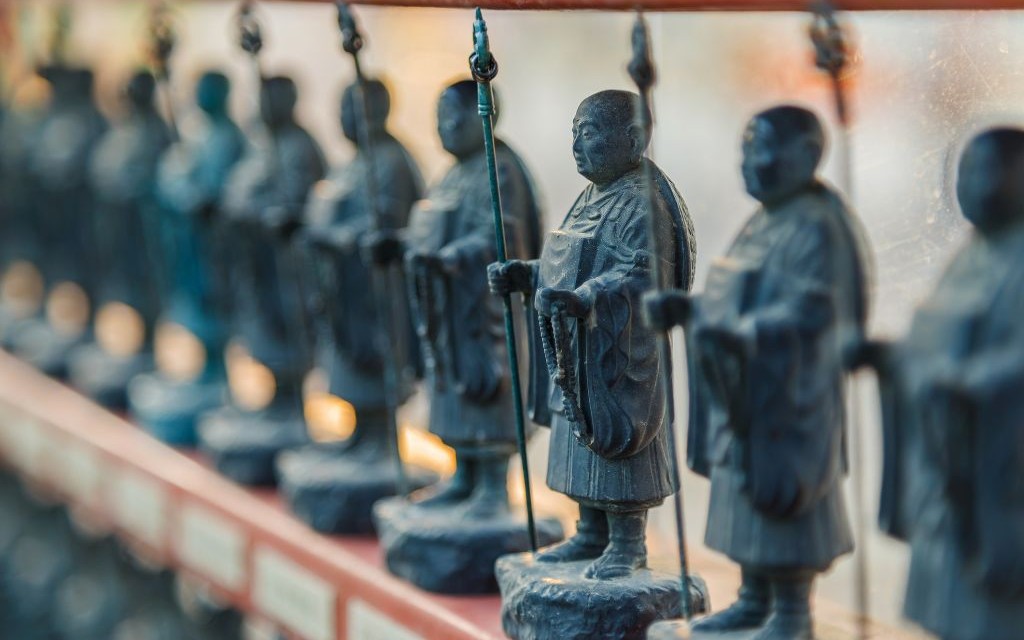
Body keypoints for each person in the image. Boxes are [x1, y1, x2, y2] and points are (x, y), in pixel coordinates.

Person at [646, 105, 869, 639]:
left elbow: (814, 313)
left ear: (806, 156)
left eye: (762, 149)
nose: (749, 163)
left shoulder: (819, 225)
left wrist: (744, 335)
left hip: (789, 400)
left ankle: (792, 613)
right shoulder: (764, 220)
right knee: (741, 495)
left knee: (782, 498)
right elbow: (733, 298)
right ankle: (753, 597)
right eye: (745, 150)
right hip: (742, 389)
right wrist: (691, 311)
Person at [489, 89, 696, 579]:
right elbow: (568, 264)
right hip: (577, 347)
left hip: (619, 355)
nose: (576, 146)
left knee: (619, 445)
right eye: (573, 135)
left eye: (588, 133)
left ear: (634, 139)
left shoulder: (642, 205)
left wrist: (589, 298)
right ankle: (588, 531)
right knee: (576, 442)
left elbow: (643, 277)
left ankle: (628, 542)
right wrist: (529, 274)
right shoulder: (591, 198)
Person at [852, 128, 1024, 640]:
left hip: (996, 468)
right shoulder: (972, 255)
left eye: (987, 170)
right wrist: (888, 357)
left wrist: (968, 383)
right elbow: (933, 348)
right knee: (949, 598)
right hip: (947, 461)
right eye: (963, 171)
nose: (970, 183)